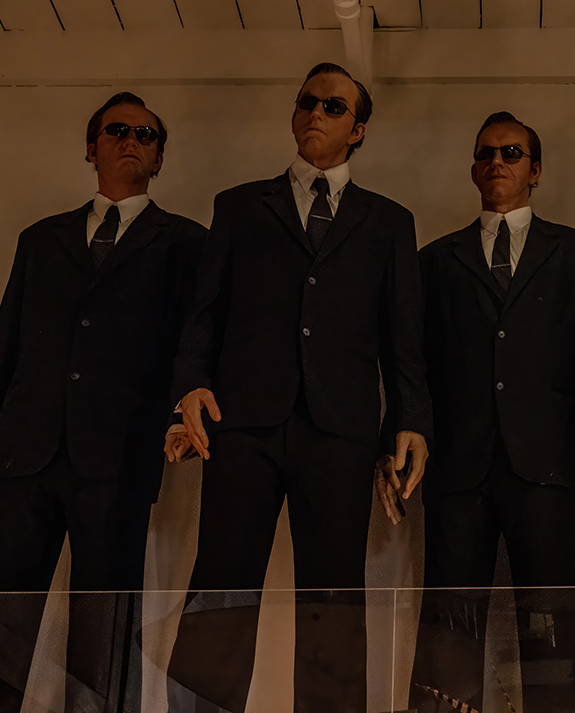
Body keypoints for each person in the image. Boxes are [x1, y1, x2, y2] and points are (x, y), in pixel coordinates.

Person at [164, 62, 432, 713]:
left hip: (339, 428)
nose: (316, 112)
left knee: (334, 599)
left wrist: (409, 420)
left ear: (358, 129)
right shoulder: (238, 206)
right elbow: (205, 311)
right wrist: (190, 385)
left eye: (334, 106)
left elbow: (403, 336)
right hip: (242, 421)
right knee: (221, 586)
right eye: (307, 101)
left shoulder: (388, 221)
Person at [0, 93, 206, 713]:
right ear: (92, 148)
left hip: (119, 456)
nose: (131, 139)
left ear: (159, 158)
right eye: (117, 129)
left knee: (104, 634)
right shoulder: (41, 239)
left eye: (146, 134)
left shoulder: (188, 243)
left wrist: (179, 416)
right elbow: (8, 340)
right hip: (25, 451)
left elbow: (191, 343)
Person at [396, 112, 575, 712]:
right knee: (449, 621)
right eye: (486, 153)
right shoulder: (434, 261)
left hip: (547, 460)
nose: (497, 162)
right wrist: (406, 433)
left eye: (511, 153)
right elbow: (412, 361)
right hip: (458, 463)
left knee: (552, 620)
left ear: (535, 170)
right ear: (472, 170)